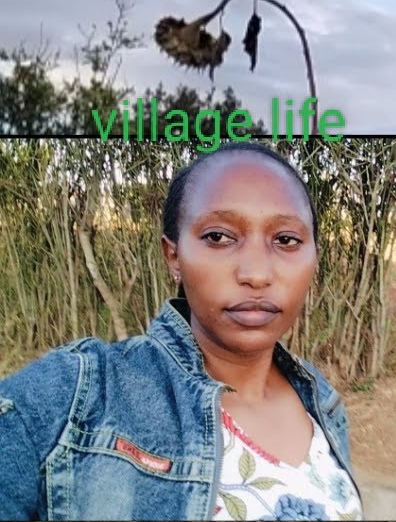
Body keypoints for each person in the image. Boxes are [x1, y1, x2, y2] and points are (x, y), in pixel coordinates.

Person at [0, 142, 364, 521]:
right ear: (173, 256)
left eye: (286, 240)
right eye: (219, 237)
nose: (256, 274)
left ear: (314, 256)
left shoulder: (322, 403)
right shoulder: (76, 398)